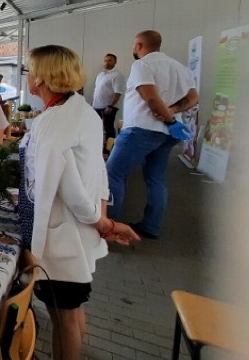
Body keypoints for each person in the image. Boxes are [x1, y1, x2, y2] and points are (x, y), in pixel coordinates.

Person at [19, 45, 139, 360]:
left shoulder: (59, 119)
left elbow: (68, 185)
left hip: (63, 235)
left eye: (31, 70)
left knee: (64, 316)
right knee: (70, 311)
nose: (28, 77)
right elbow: (100, 170)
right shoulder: (78, 109)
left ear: (42, 76)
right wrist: (100, 217)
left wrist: (103, 222)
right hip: (73, 231)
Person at [107, 30, 197, 240]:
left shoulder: (143, 65)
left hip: (142, 129)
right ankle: (151, 226)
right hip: (166, 135)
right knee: (156, 178)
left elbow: (151, 99)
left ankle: (110, 228)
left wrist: (169, 118)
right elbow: (193, 98)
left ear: (139, 45)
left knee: (113, 174)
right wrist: (173, 113)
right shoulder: (181, 68)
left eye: (133, 45)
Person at [91, 53, 126, 148]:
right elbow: (97, 90)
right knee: (95, 128)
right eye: (105, 60)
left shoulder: (117, 75)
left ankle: (110, 150)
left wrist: (111, 106)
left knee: (108, 129)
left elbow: (118, 92)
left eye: (110, 60)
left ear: (115, 62)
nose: (107, 62)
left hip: (108, 107)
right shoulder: (101, 74)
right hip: (96, 106)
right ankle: (98, 148)